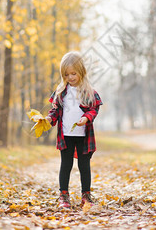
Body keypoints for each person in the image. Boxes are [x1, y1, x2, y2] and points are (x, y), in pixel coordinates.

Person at [46, 51, 103, 209]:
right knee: (66, 164)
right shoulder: (61, 92)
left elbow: (94, 109)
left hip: (83, 135)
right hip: (66, 135)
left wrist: (86, 118)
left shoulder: (88, 92)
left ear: (81, 72)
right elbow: (55, 111)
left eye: (73, 73)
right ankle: (64, 195)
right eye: (66, 74)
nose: (70, 77)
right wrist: (49, 119)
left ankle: (86, 195)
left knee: (84, 166)